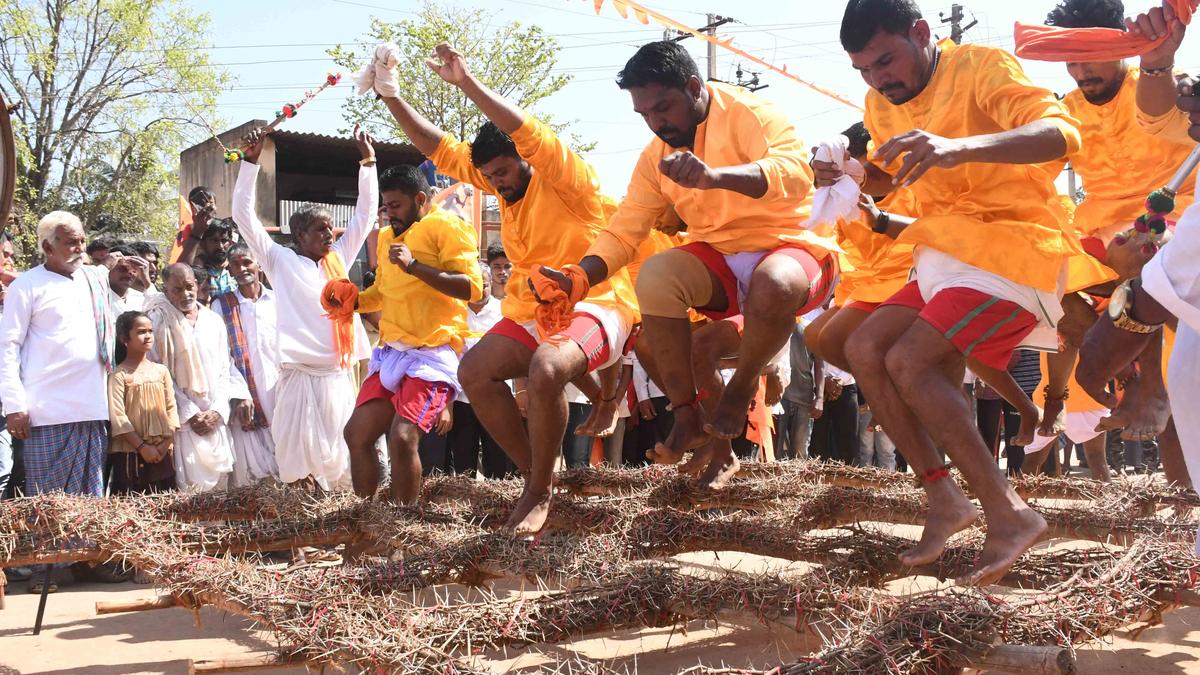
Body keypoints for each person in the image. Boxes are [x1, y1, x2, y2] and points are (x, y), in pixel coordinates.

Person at [825, 0, 1095, 586]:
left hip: (1016, 242)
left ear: (921, 33)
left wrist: (958, 146)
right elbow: (897, 175)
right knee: (864, 349)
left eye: (886, 61)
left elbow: (1063, 133)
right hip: (944, 252)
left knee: (909, 360)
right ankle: (945, 500)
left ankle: (1010, 514)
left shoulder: (982, 66)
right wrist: (853, 177)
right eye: (863, 71)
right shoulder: (879, 103)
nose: (877, 80)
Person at [540, 41, 837, 491]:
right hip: (720, 258)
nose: (656, 123)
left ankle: (741, 388)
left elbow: (795, 174)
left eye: (663, 107)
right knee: (657, 277)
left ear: (694, 87)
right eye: (644, 114)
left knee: (771, 282)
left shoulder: (749, 111)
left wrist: (714, 177)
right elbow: (625, 231)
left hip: (792, 251)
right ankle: (687, 418)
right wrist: (582, 274)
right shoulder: (654, 158)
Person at [370, 42, 639, 533]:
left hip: (597, 300)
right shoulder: (498, 182)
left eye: (504, 173)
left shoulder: (565, 177)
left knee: (546, 366)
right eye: (489, 176)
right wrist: (390, 95)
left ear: (526, 159)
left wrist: (467, 83)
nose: (498, 183)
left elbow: (524, 130)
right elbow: (438, 148)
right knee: (474, 372)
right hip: (530, 311)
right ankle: (540, 479)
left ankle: (538, 490)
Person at [231, 125, 378, 490]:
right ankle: (303, 542)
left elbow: (364, 217)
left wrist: (368, 163)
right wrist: (250, 164)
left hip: (337, 377)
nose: (330, 236)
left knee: (342, 459)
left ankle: (336, 534)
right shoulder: (279, 261)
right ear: (299, 237)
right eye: (321, 230)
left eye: (330, 229)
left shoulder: (340, 259)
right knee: (300, 465)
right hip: (298, 379)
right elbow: (243, 217)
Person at [340, 164, 482, 504]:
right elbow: (383, 294)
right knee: (356, 434)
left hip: (432, 355)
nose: (390, 215)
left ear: (420, 198)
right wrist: (350, 301)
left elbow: (472, 289)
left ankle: (402, 526)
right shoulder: (388, 238)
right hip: (391, 354)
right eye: (386, 207)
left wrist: (415, 267)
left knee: (403, 439)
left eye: (396, 206)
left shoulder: (447, 228)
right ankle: (366, 521)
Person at [0, 211, 113, 593]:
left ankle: (87, 562)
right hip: (46, 408)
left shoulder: (93, 280)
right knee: (46, 496)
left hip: (91, 404)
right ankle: (42, 570)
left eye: (81, 240)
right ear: (48, 246)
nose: (79, 248)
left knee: (90, 493)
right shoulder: (26, 286)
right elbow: (7, 347)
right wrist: (14, 404)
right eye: (70, 242)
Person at [146, 264, 239, 492]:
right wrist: (191, 414)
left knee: (220, 495)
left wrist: (217, 411)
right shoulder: (157, 322)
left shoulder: (213, 320)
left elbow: (224, 369)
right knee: (191, 497)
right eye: (177, 289)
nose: (186, 294)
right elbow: (159, 374)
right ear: (165, 290)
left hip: (215, 421)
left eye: (189, 287)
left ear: (197, 285)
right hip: (184, 425)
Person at [213, 243, 280, 487]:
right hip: (244, 394)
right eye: (235, 265)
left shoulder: (277, 300)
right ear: (229, 270)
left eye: (246, 262)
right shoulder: (221, 305)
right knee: (249, 470)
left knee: (285, 453)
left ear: (258, 264)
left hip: (278, 389)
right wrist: (240, 393)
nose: (242, 269)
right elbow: (222, 356)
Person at [447, 262, 513, 478]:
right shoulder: (453, 313)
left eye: (483, 285)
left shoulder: (503, 312)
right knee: (464, 463)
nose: (479, 290)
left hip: (495, 399)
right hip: (462, 399)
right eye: (474, 284)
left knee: (497, 462)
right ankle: (467, 510)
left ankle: (497, 509)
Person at [108, 310, 179, 494]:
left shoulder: (161, 371)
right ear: (125, 338)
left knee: (165, 507)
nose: (148, 336)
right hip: (130, 454)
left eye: (150, 331)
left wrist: (164, 445)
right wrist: (142, 447)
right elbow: (118, 417)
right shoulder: (118, 375)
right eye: (141, 332)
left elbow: (171, 409)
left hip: (161, 453)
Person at [107, 244, 146, 312]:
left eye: (134, 269)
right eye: (123, 268)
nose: (129, 273)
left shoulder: (142, 299)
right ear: (110, 267)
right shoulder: (97, 297)